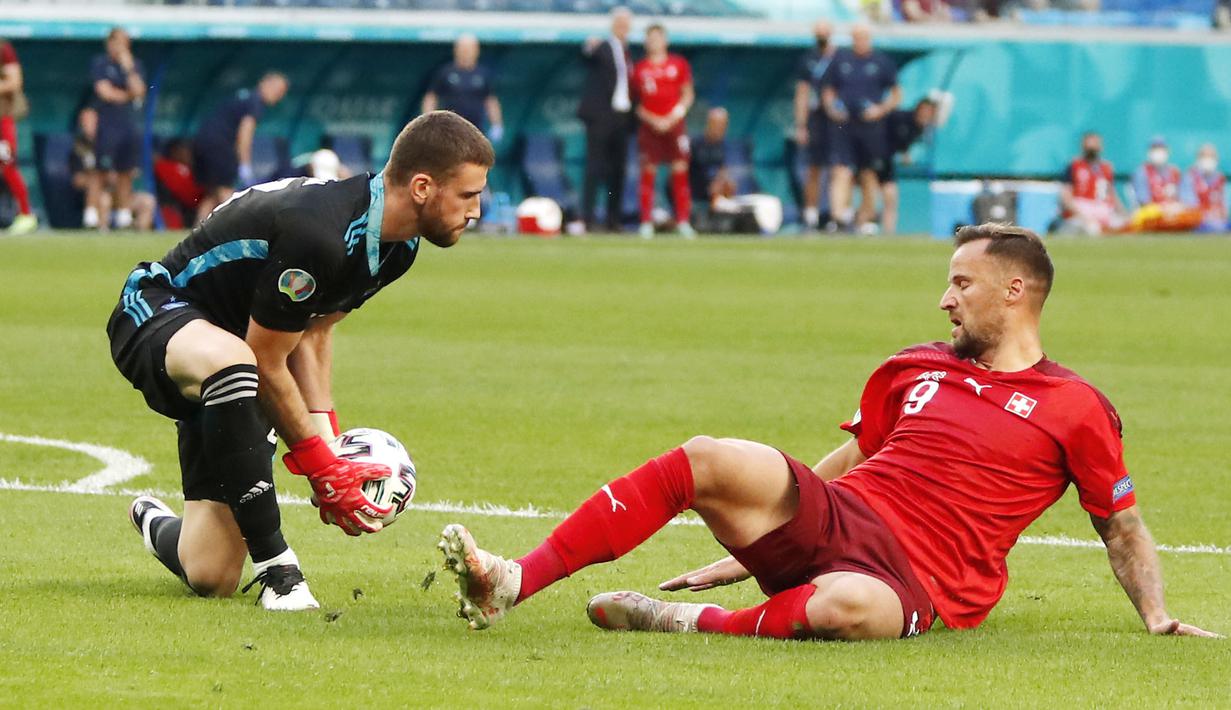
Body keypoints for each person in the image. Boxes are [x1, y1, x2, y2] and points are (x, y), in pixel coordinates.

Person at [439, 223, 1220, 641]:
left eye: (960, 283)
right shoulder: (913, 368)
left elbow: (1120, 525)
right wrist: (751, 545)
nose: (943, 301)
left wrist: (1153, 615)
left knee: (852, 608)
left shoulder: (1076, 405)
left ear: (1014, 292)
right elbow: (854, 455)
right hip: (842, 516)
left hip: (917, 580)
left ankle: (675, 620)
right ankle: (513, 580)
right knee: (707, 456)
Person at [112, 112, 493, 611]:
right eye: (469, 195)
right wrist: (320, 468)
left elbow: (311, 335)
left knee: (212, 574)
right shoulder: (320, 233)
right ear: (422, 186)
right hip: (158, 311)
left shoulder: (397, 250)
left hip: (232, 352)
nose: (478, 211)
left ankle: (155, 522)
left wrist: (328, 441)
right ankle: (279, 573)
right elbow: (268, 362)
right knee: (236, 366)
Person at [821, 24, 900, 233]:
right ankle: (838, 218)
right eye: (856, 37)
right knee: (841, 170)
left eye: (864, 37)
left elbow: (896, 94)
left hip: (871, 126)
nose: (860, 41)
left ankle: (866, 217)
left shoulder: (881, 62)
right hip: (845, 123)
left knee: (868, 172)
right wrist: (832, 108)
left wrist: (879, 110)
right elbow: (828, 89)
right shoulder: (841, 60)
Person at [192, 72, 290, 225]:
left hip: (202, 142)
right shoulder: (255, 101)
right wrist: (245, 164)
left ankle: (197, 229)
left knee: (212, 193)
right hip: (219, 145)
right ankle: (235, 230)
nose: (279, 97)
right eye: (279, 91)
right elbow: (245, 134)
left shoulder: (243, 97)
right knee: (226, 191)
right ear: (266, 83)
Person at [632, 23, 695, 239]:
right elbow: (635, 103)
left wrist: (674, 116)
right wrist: (653, 119)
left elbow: (687, 94)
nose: (654, 42)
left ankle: (683, 221)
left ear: (665, 41)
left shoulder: (678, 64)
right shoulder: (640, 68)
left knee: (679, 170)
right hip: (650, 127)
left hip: (674, 125)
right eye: (650, 39)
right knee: (648, 171)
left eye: (658, 38)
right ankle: (646, 222)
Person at [578, 7, 634, 233]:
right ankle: (587, 218)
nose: (622, 27)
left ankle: (614, 219)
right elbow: (587, 56)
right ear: (612, 25)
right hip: (601, 116)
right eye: (619, 23)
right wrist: (587, 47)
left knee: (618, 170)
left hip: (622, 117)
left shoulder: (628, 52)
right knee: (595, 166)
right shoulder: (603, 46)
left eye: (626, 23)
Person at [87, 27, 145, 230]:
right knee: (100, 171)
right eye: (118, 42)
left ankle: (123, 214)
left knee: (125, 171)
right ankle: (91, 214)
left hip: (128, 126)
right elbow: (105, 92)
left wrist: (128, 69)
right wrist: (128, 95)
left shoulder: (133, 65)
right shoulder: (101, 63)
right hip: (107, 125)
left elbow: (139, 91)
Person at [421, 34, 504, 146]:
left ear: (477, 51)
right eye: (463, 49)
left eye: (469, 49)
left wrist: (497, 124)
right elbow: (431, 97)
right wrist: (428, 121)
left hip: (475, 130)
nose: (466, 52)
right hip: (450, 129)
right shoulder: (445, 72)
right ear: (456, 50)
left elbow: (490, 101)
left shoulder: (483, 74)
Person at [793, 20, 836, 232]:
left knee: (839, 168)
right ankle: (811, 214)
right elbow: (802, 93)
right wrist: (801, 125)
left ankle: (836, 215)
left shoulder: (839, 57)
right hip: (816, 119)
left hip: (837, 120)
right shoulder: (808, 59)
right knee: (814, 168)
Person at [876, 97, 937, 234]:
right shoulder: (900, 119)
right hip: (873, 157)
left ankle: (887, 233)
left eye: (930, 111)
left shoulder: (920, 128)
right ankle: (861, 225)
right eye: (925, 110)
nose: (926, 114)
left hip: (887, 163)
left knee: (891, 198)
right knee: (874, 194)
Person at [0, 38, 36, 234]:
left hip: (2, 118)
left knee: (8, 165)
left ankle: (26, 213)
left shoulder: (3, 49)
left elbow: (14, 82)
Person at [1057, 131, 1126, 235]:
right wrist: (1082, 216)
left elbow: (1112, 194)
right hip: (1081, 211)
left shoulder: (1106, 168)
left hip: (1103, 211)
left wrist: (1124, 214)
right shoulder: (1074, 166)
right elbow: (1066, 196)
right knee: (1091, 229)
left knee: (1123, 226)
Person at [1128, 137, 1201, 233]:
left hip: (1174, 212)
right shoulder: (1142, 172)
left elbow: (1189, 201)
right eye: (1155, 148)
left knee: (1194, 215)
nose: (1158, 152)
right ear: (1149, 152)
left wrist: (1176, 207)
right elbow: (1143, 201)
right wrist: (1162, 209)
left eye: (1161, 148)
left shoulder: (1175, 172)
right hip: (1153, 212)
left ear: (1168, 151)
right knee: (1145, 215)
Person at [153, 138, 204, 229]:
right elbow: (188, 195)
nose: (187, 154)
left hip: (189, 208)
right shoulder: (165, 166)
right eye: (183, 150)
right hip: (171, 208)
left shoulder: (192, 169)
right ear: (174, 152)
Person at [1180, 143, 1226, 232]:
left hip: (1218, 221)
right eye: (1204, 156)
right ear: (1198, 159)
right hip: (1197, 221)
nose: (1208, 160)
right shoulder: (1190, 177)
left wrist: (1219, 214)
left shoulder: (1220, 179)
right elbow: (1189, 205)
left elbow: (1224, 206)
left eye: (1211, 157)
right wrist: (1207, 215)